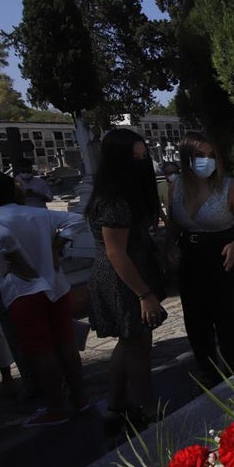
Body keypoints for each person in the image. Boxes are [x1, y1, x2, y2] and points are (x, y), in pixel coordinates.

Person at [0, 172, 90, 427]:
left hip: (23, 290)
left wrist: (15, 257)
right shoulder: (38, 213)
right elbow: (78, 219)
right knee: (65, 344)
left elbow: (3, 238)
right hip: (55, 285)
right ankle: (79, 397)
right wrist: (58, 243)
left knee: (41, 352)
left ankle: (56, 406)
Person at [85, 128, 167, 427]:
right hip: (124, 280)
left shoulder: (124, 196)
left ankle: (115, 404)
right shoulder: (115, 201)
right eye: (136, 158)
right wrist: (144, 295)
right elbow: (116, 253)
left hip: (131, 273)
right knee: (138, 345)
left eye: (144, 156)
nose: (143, 162)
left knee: (129, 341)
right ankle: (148, 407)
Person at [166, 131, 234, 376]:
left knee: (229, 323)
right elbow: (173, 224)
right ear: (186, 157)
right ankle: (208, 377)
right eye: (198, 155)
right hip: (191, 257)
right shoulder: (176, 189)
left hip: (223, 255)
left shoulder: (228, 187)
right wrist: (170, 245)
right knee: (197, 324)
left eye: (210, 155)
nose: (205, 160)